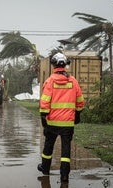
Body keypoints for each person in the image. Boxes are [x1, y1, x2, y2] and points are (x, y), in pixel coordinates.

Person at [37, 52, 85, 183]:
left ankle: (45, 169)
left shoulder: (49, 81)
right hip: (67, 123)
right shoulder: (73, 81)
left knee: (48, 146)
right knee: (65, 150)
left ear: (53, 65)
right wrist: (78, 114)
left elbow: (45, 101)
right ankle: (64, 176)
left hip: (52, 122)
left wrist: (43, 116)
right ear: (65, 65)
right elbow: (80, 101)